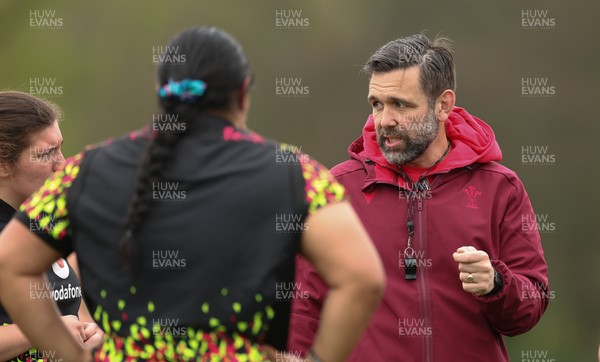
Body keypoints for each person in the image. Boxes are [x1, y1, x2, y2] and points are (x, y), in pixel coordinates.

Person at [0, 27, 385, 361]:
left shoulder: (86, 171)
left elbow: (10, 265)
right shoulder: (293, 171)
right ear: (243, 93)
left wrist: (69, 355)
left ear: (162, 94)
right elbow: (362, 277)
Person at [288, 34, 549, 361]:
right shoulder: (337, 189)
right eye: (377, 104)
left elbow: (531, 304)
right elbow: (302, 307)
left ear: (443, 105)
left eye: (401, 104)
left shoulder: (500, 187)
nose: (385, 120)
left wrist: (496, 284)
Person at [0, 91, 103, 360]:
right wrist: (45, 331)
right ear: (3, 163)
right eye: (47, 154)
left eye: (60, 148)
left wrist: (90, 334)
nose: (63, 164)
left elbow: (73, 315)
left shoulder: (44, 224)